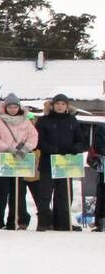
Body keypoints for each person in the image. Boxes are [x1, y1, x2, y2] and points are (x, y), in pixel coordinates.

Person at [33, 92, 88, 231]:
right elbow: (39, 142)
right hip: (48, 162)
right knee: (45, 195)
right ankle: (44, 222)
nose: (60, 106)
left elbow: (81, 140)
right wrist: (54, 150)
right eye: (57, 103)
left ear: (67, 106)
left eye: (63, 104)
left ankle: (63, 223)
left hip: (66, 163)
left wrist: (75, 148)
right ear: (52, 105)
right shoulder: (44, 120)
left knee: (64, 195)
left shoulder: (72, 120)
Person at [0, 94, 38, 230]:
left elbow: (33, 137)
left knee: (18, 192)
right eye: (10, 106)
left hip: (20, 161)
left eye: (15, 106)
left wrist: (25, 148)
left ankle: (13, 220)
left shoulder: (25, 121)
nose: (13, 109)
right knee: (1, 192)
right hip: (2, 161)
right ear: (5, 107)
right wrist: (8, 148)